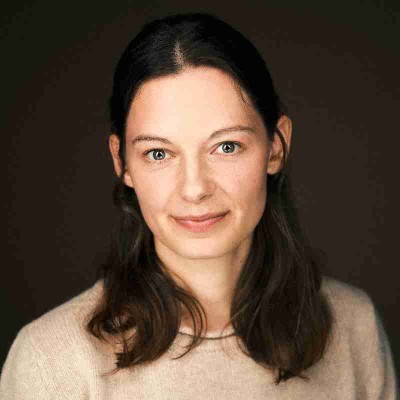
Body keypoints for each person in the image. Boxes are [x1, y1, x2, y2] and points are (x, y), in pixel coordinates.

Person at [0, 12, 398, 400]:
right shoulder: (52, 361)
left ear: (276, 147)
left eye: (226, 146)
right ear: (122, 162)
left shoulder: (352, 326)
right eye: (158, 153)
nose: (194, 189)